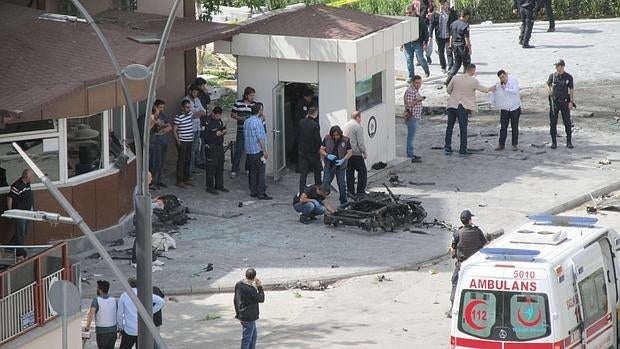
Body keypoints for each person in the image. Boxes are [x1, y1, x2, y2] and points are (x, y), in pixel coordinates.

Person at [445, 64, 495, 156]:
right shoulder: (473, 81)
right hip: (463, 106)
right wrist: (491, 89)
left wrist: (455, 95)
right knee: (463, 129)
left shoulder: (455, 78)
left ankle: (447, 148)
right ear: (472, 70)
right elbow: (483, 89)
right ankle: (462, 150)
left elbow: (448, 89)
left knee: (449, 127)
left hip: (452, 104)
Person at [447, 210, 487, 318]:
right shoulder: (477, 231)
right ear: (470, 220)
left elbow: (452, 249)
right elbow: (485, 245)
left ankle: (452, 308)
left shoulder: (457, 233)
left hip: (462, 264)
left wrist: (453, 252)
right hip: (475, 264)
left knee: (455, 283)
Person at [117, 277, 165, 349]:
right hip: (142, 329)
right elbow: (161, 302)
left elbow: (119, 314)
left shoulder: (124, 295)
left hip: (129, 329)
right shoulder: (144, 293)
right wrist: (150, 311)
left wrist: (120, 327)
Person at [244, 103, 272, 200]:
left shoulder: (246, 121)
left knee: (252, 172)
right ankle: (261, 192)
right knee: (261, 172)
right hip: (257, 150)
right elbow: (260, 138)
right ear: (259, 110)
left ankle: (253, 191)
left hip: (249, 151)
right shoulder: (257, 122)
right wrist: (264, 151)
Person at [546, 59, 575, 149]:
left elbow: (571, 89)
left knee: (567, 122)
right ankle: (554, 142)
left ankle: (569, 141)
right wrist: (549, 91)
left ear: (562, 66)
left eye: (558, 66)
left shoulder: (568, 77)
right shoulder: (553, 76)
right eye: (556, 66)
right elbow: (547, 84)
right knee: (553, 123)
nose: (556, 67)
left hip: (565, 102)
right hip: (555, 102)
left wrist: (571, 101)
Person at [320, 126, 353, 205]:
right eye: (334, 135)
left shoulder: (345, 140)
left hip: (340, 166)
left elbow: (350, 152)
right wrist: (327, 155)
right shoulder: (327, 138)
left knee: (341, 185)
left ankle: (343, 202)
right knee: (325, 183)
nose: (336, 137)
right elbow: (321, 149)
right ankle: (321, 201)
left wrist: (343, 160)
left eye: (337, 135)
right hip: (329, 165)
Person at [234, 268, 265, 349]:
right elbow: (261, 299)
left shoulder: (239, 284)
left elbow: (235, 300)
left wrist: (238, 314)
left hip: (242, 315)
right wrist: (259, 287)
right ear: (254, 277)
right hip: (249, 317)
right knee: (247, 339)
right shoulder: (250, 290)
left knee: (253, 337)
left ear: (245, 275)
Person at [492, 70, 522, 151]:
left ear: (506, 75)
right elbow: (495, 95)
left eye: (503, 77)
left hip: (514, 107)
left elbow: (515, 91)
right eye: (501, 78)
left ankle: (514, 144)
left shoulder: (513, 80)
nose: (502, 79)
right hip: (505, 108)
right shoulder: (499, 84)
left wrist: (505, 88)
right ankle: (501, 144)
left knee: (514, 127)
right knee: (503, 127)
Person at [231, 87, 256, 179]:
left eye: (253, 95)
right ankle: (234, 169)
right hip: (241, 129)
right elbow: (232, 114)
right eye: (251, 95)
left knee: (249, 150)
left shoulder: (254, 105)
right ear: (246, 95)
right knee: (239, 150)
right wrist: (242, 119)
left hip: (250, 131)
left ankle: (248, 169)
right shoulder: (238, 103)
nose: (252, 97)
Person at [202, 106, 229, 194]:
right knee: (211, 168)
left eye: (219, 116)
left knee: (220, 166)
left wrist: (223, 131)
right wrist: (215, 134)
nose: (218, 117)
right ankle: (210, 187)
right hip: (211, 147)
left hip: (219, 146)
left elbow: (220, 130)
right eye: (216, 116)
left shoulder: (219, 121)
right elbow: (204, 136)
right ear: (213, 113)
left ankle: (219, 185)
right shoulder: (207, 122)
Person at [84, 280, 117, 349]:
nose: (96, 289)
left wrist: (87, 327)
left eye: (97, 288)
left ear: (100, 290)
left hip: (102, 332)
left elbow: (91, 315)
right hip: (113, 331)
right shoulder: (114, 300)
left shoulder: (96, 300)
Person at [401, 4, 430, 81]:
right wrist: (401, 42)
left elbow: (425, 31)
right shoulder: (405, 20)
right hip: (407, 42)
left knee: (420, 58)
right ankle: (411, 76)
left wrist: (425, 42)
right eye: (406, 13)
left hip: (417, 42)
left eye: (410, 12)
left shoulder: (420, 20)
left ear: (414, 11)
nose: (408, 14)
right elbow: (402, 31)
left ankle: (426, 70)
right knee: (409, 60)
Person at [297, 106, 323, 194]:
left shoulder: (301, 122)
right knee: (317, 171)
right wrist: (320, 149)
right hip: (313, 152)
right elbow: (317, 140)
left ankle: (301, 191)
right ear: (315, 113)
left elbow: (298, 135)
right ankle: (318, 190)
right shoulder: (315, 125)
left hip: (302, 151)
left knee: (303, 173)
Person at [183, 84, 207, 174]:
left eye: (197, 92)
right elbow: (189, 115)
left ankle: (192, 168)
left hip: (197, 127)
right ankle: (189, 170)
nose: (195, 94)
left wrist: (197, 113)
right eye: (194, 92)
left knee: (195, 148)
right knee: (190, 150)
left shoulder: (197, 99)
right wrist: (198, 113)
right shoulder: (186, 100)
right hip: (190, 128)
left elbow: (204, 111)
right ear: (190, 91)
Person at [445, 9, 472, 86]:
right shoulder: (465, 25)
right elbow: (467, 38)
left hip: (455, 46)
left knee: (457, 64)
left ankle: (449, 79)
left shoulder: (453, 24)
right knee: (466, 65)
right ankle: (465, 82)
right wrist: (469, 48)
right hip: (463, 47)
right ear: (466, 16)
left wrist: (450, 45)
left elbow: (451, 36)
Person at [343, 111, 368, 195]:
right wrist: (364, 152)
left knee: (349, 173)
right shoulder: (358, 127)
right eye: (360, 118)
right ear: (357, 117)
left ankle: (350, 191)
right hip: (356, 153)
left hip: (347, 153)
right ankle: (360, 191)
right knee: (362, 172)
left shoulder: (346, 125)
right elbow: (360, 142)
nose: (361, 120)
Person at [7, 169, 34, 246]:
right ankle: (20, 251)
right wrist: (9, 211)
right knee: (20, 232)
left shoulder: (28, 184)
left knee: (24, 231)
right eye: (31, 177)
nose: (32, 178)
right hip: (20, 213)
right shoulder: (17, 185)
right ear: (27, 177)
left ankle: (9, 246)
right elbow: (10, 197)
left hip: (28, 211)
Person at [430, 0, 457, 73]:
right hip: (439, 36)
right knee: (441, 52)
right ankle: (443, 66)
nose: (442, 4)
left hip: (449, 36)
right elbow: (432, 25)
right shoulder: (435, 13)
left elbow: (456, 23)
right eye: (440, 3)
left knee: (449, 51)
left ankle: (451, 66)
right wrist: (430, 36)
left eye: (443, 3)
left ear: (446, 3)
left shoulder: (452, 12)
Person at [149, 100, 171, 190]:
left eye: (163, 107)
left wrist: (163, 130)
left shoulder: (162, 115)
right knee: (155, 163)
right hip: (155, 142)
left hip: (163, 141)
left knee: (161, 163)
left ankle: (159, 180)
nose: (162, 109)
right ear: (155, 107)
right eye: (160, 107)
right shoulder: (152, 116)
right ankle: (152, 182)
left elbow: (169, 126)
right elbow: (151, 127)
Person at [404, 76, 426, 163]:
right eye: (417, 83)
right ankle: (410, 155)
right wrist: (419, 100)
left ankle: (411, 154)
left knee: (411, 137)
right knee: (411, 138)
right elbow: (409, 105)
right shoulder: (410, 91)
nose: (418, 85)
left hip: (415, 116)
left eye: (420, 83)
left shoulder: (414, 90)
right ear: (413, 82)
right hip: (412, 117)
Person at [173, 100, 194, 188]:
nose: (189, 109)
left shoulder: (190, 114)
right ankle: (179, 180)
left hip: (190, 140)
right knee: (181, 161)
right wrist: (178, 141)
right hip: (183, 141)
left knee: (188, 159)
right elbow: (174, 130)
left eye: (189, 107)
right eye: (187, 107)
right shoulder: (178, 117)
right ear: (182, 107)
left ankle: (186, 178)